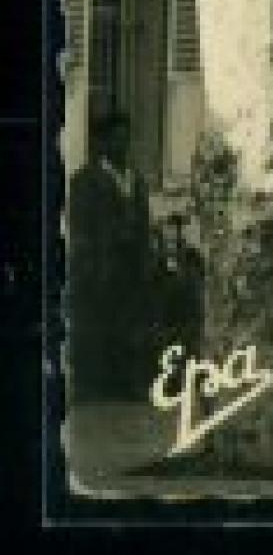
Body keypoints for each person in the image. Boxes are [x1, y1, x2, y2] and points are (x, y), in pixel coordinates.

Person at [68, 113, 153, 401]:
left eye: (125, 138)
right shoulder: (86, 179)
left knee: (129, 325)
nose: (122, 144)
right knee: (97, 324)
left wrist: (146, 258)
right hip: (101, 264)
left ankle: (126, 383)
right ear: (102, 142)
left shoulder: (136, 179)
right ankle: (94, 386)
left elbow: (144, 222)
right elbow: (79, 224)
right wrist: (89, 259)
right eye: (116, 138)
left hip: (131, 264)